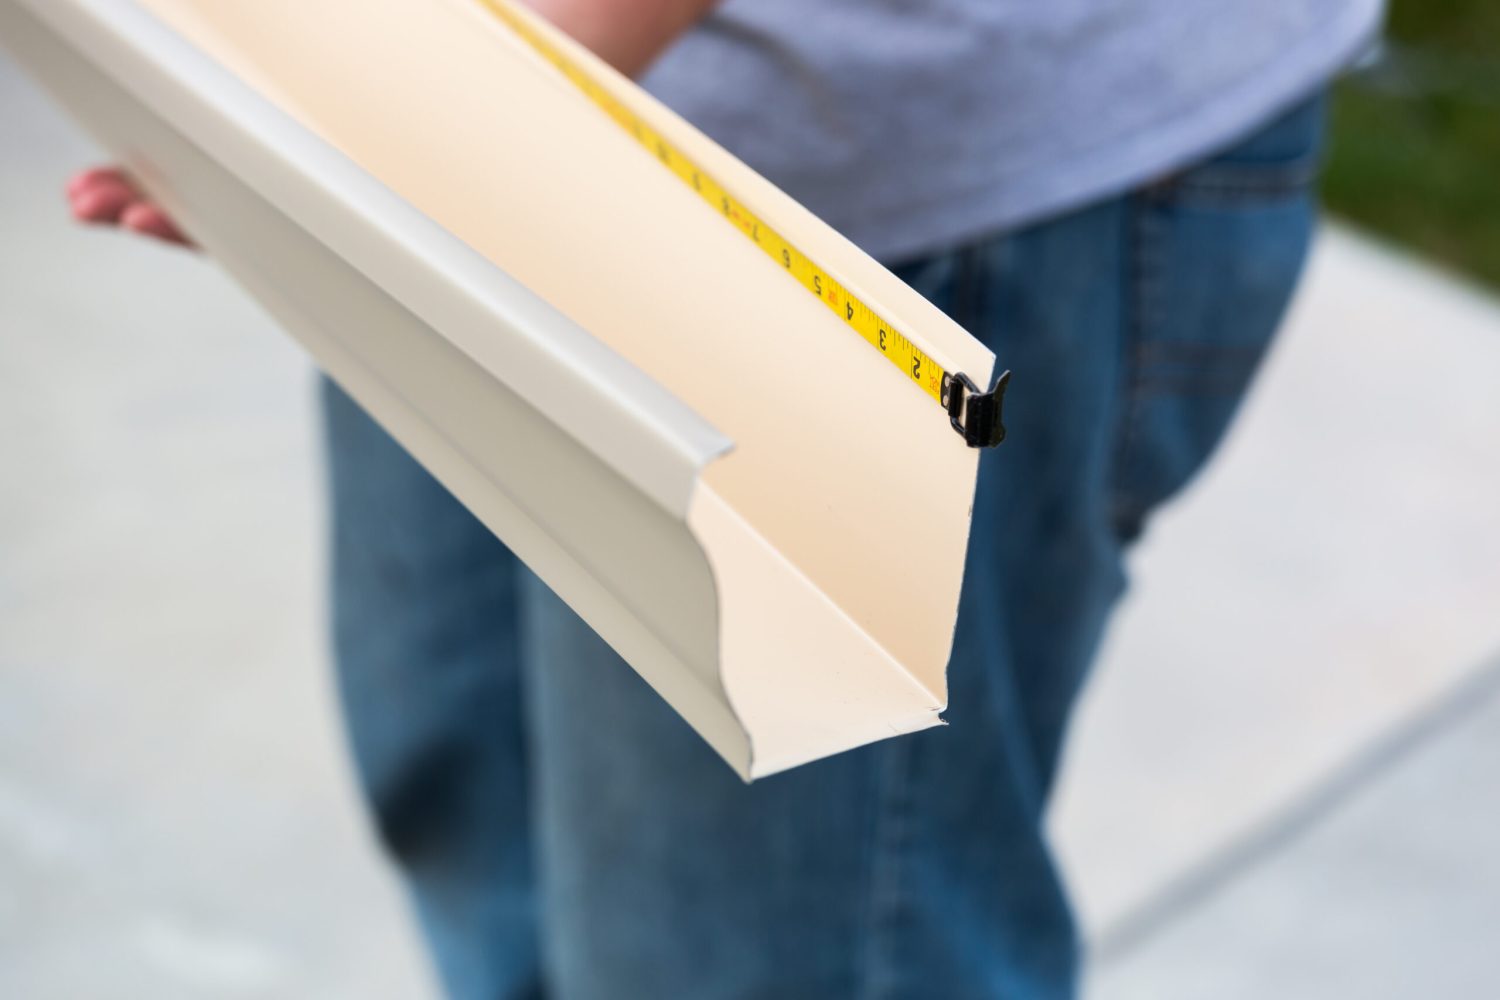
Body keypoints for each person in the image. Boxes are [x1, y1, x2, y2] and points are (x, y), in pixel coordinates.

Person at [68, 1, 1385, 996]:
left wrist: (443, 110)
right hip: (465, 105)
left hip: (889, 198)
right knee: (470, 799)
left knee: (753, 958)